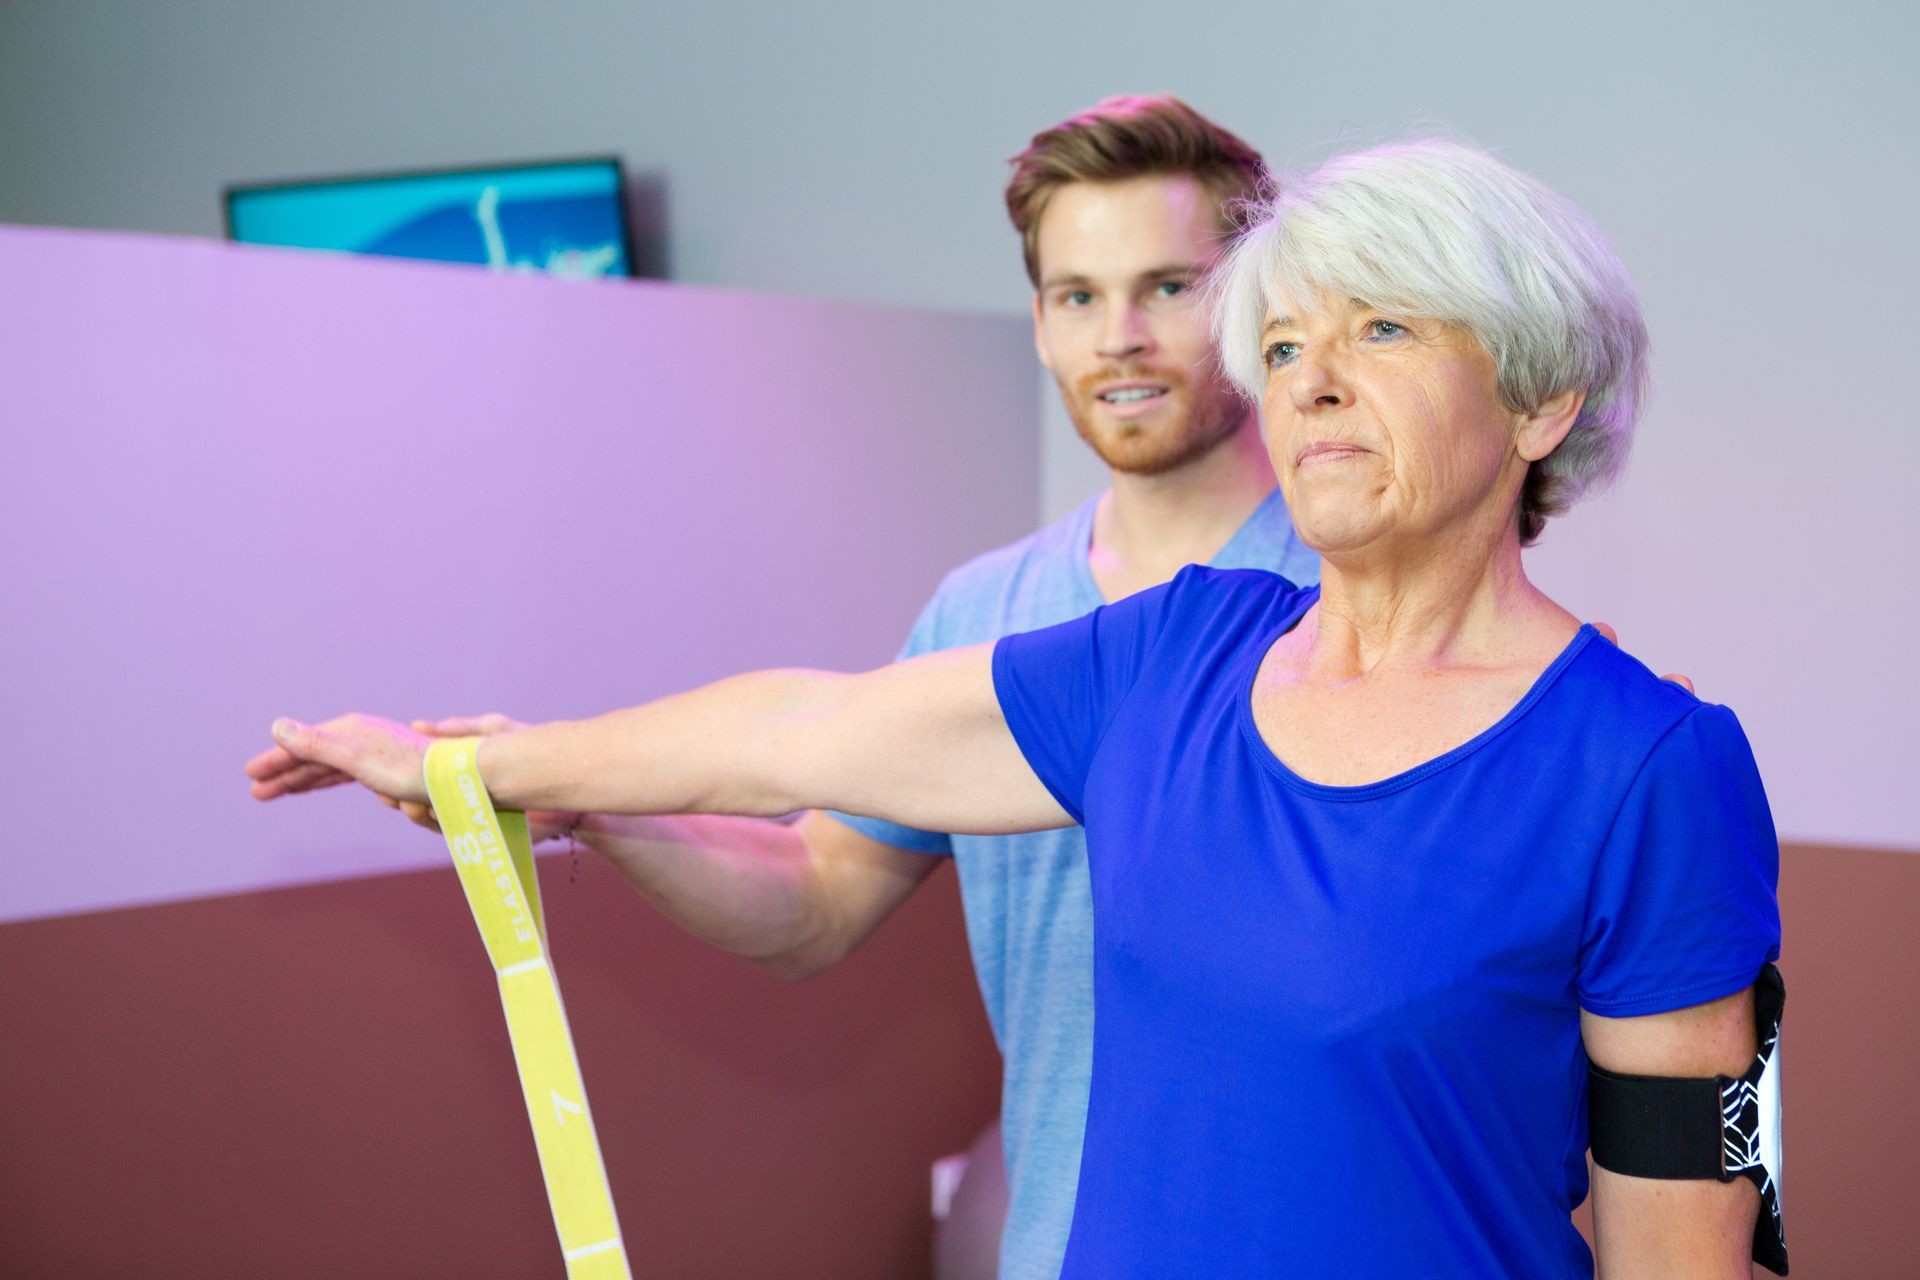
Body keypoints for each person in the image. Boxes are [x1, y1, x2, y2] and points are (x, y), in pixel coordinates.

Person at [249, 136, 1780, 1277]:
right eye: (1292, 341)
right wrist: (488, 765)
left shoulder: (1645, 764)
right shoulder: (1168, 658)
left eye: (1383, 331)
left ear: (1538, 398)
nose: (1312, 381)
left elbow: (1681, 1238)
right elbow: (799, 734)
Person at [425, 94, 1308, 1280]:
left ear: (1257, 308)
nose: (1121, 338)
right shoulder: (981, 611)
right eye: (1078, 296)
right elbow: (815, 895)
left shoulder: (1353, 592)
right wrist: (595, 805)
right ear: (1040, 325)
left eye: (1169, 287)